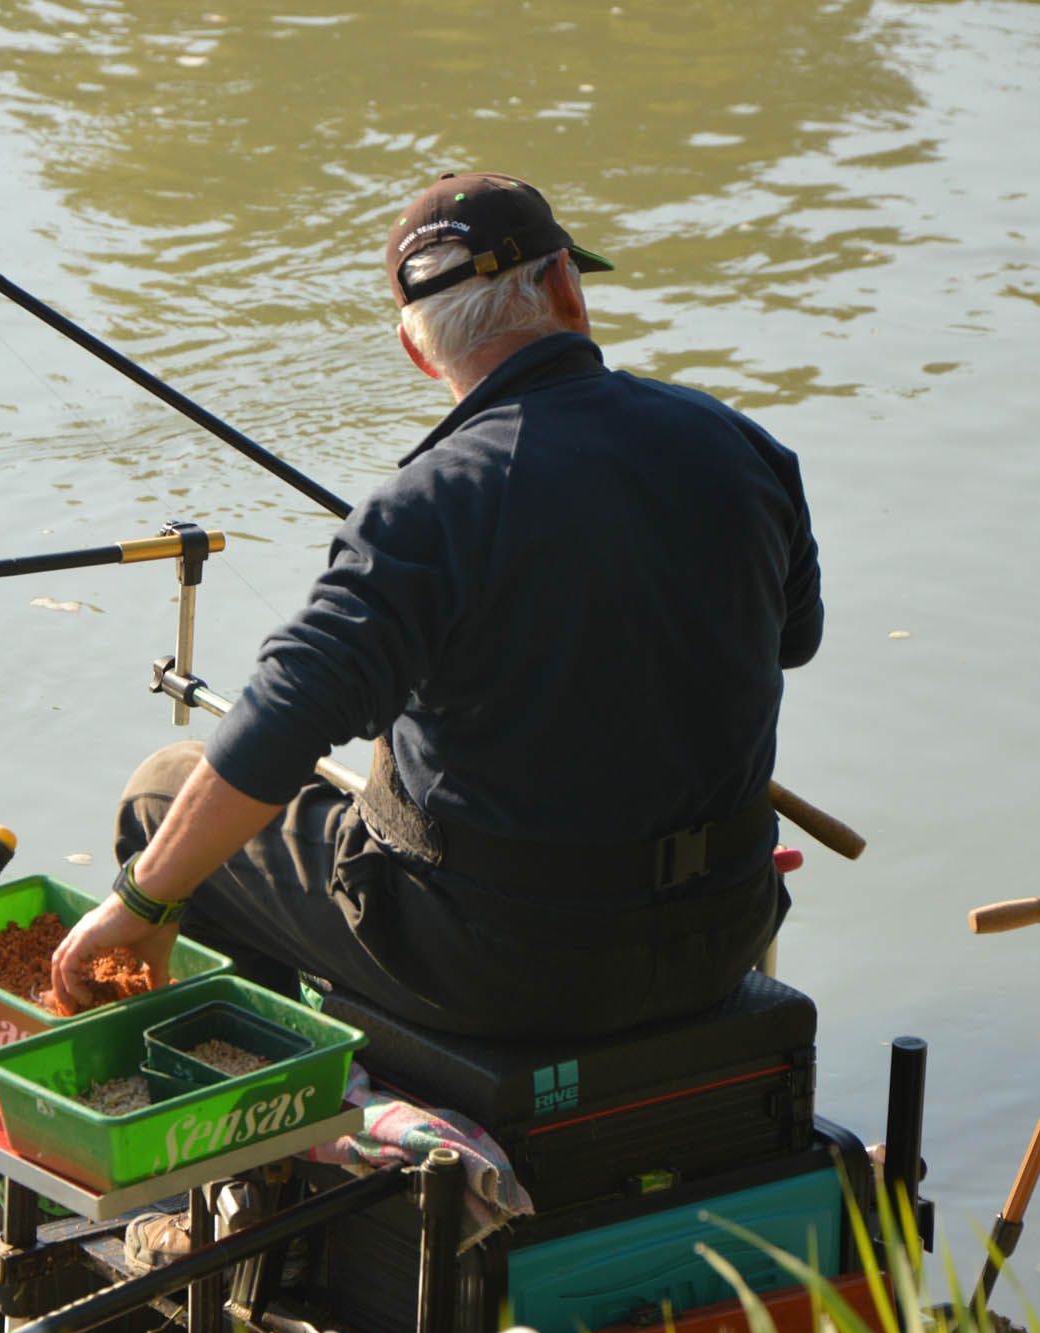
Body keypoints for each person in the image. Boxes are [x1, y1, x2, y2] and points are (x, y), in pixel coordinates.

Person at [51, 171, 821, 1042]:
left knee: (164, 792)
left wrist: (140, 899)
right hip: (721, 934)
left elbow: (282, 718)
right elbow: (794, 640)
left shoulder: (423, 508)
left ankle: (282, 1126)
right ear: (568, 286)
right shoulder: (740, 444)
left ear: (420, 352)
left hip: (501, 968)